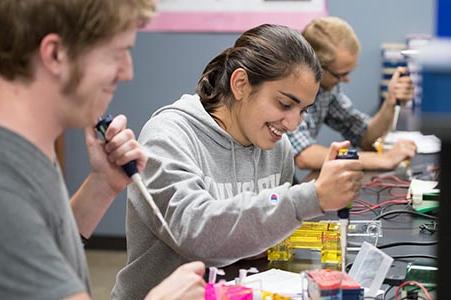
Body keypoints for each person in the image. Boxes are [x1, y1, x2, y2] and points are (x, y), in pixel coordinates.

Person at [113, 24, 364, 300]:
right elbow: (196, 233)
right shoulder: (168, 137)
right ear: (241, 84)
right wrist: (309, 197)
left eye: (303, 111)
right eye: (284, 104)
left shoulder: (277, 147)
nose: (293, 124)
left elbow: (264, 225)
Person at [0, 1, 205, 299]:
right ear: (55, 54)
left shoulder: (29, 145)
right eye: (117, 53)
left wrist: (103, 184)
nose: (127, 72)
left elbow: (39, 244)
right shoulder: (6, 181)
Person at [288, 16, 417, 170]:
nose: (346, 80)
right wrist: (380, 159)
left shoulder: (326, 91)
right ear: (315, 66)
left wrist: (390, 101)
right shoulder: (289, 92)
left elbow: (365, 137)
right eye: (340, 75)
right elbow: (305, 156)